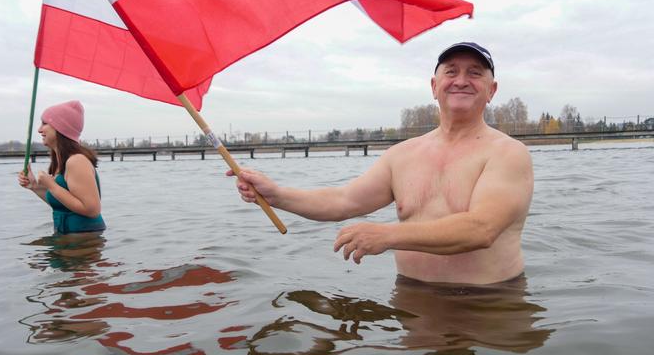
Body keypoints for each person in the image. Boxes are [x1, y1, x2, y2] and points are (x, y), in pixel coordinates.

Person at [228, 42, 533, 285]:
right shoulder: (402, 155)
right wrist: (276, 195)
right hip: (413, 302)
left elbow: (481, 229)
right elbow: (342, 201)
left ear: (492, 90)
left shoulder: (508, 153)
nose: (461, 81)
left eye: (475, 73)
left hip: (491, 305)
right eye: (451, 72)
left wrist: (387, 236)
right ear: (433, 86)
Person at [18, 100, 106, 234]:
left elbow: (92, 209)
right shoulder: (62, 162)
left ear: (60, 128)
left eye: (45, 123)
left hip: (85, 242)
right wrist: (34, 186)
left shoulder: (76, 161)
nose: (39, 129)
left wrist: (51, 185)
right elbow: (63, 204)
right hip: (70, 240)